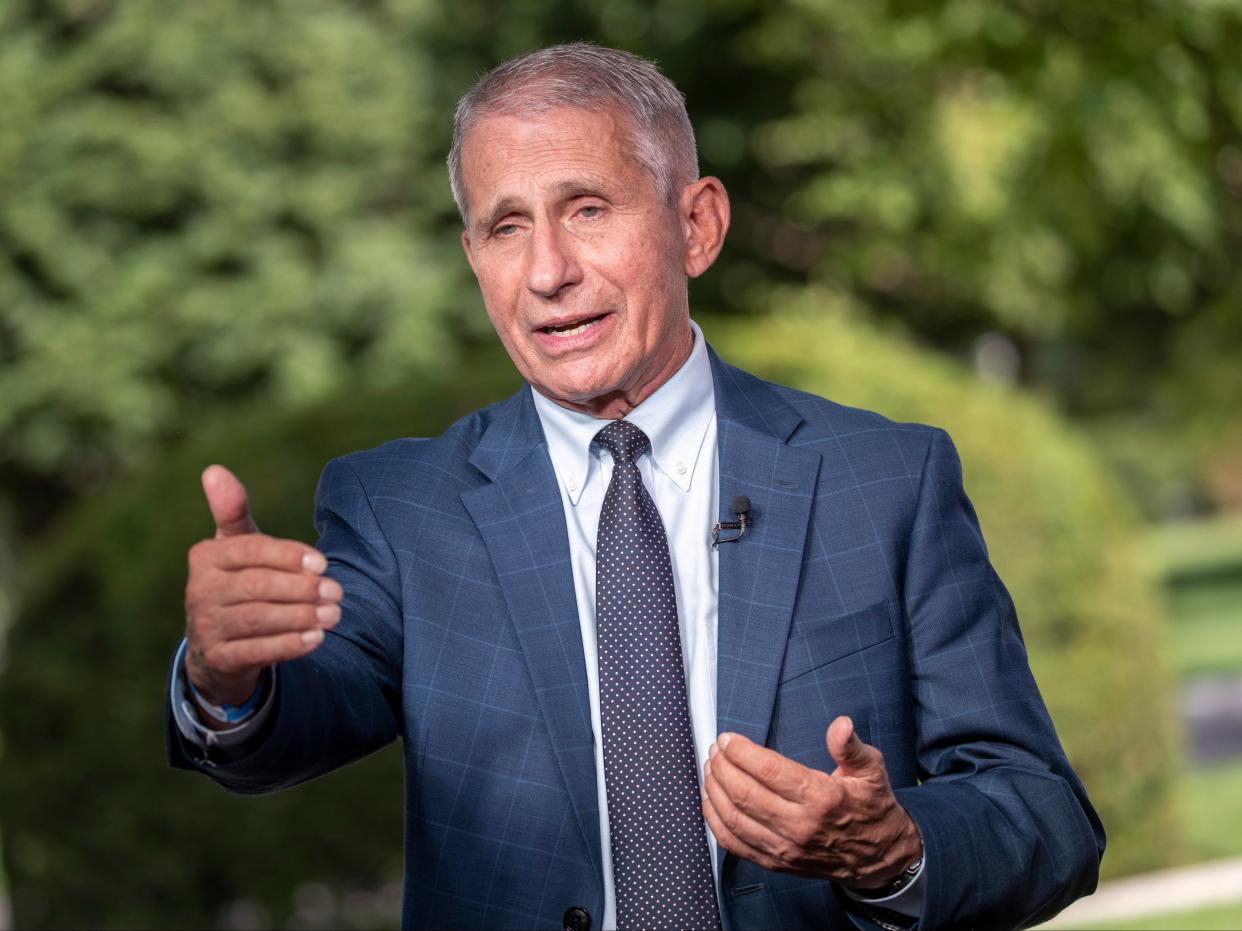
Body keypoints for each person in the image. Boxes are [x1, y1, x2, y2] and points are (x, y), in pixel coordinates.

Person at [168, 43, 1104, 931]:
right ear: (474, 259)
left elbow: (1043, 816)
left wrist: (890, 853)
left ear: (696, 225)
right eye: (507, 227)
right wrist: (225, 674)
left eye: (587, 209)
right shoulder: (400, 506)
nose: (547, 272)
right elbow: (294, 719)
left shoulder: (886, 480)